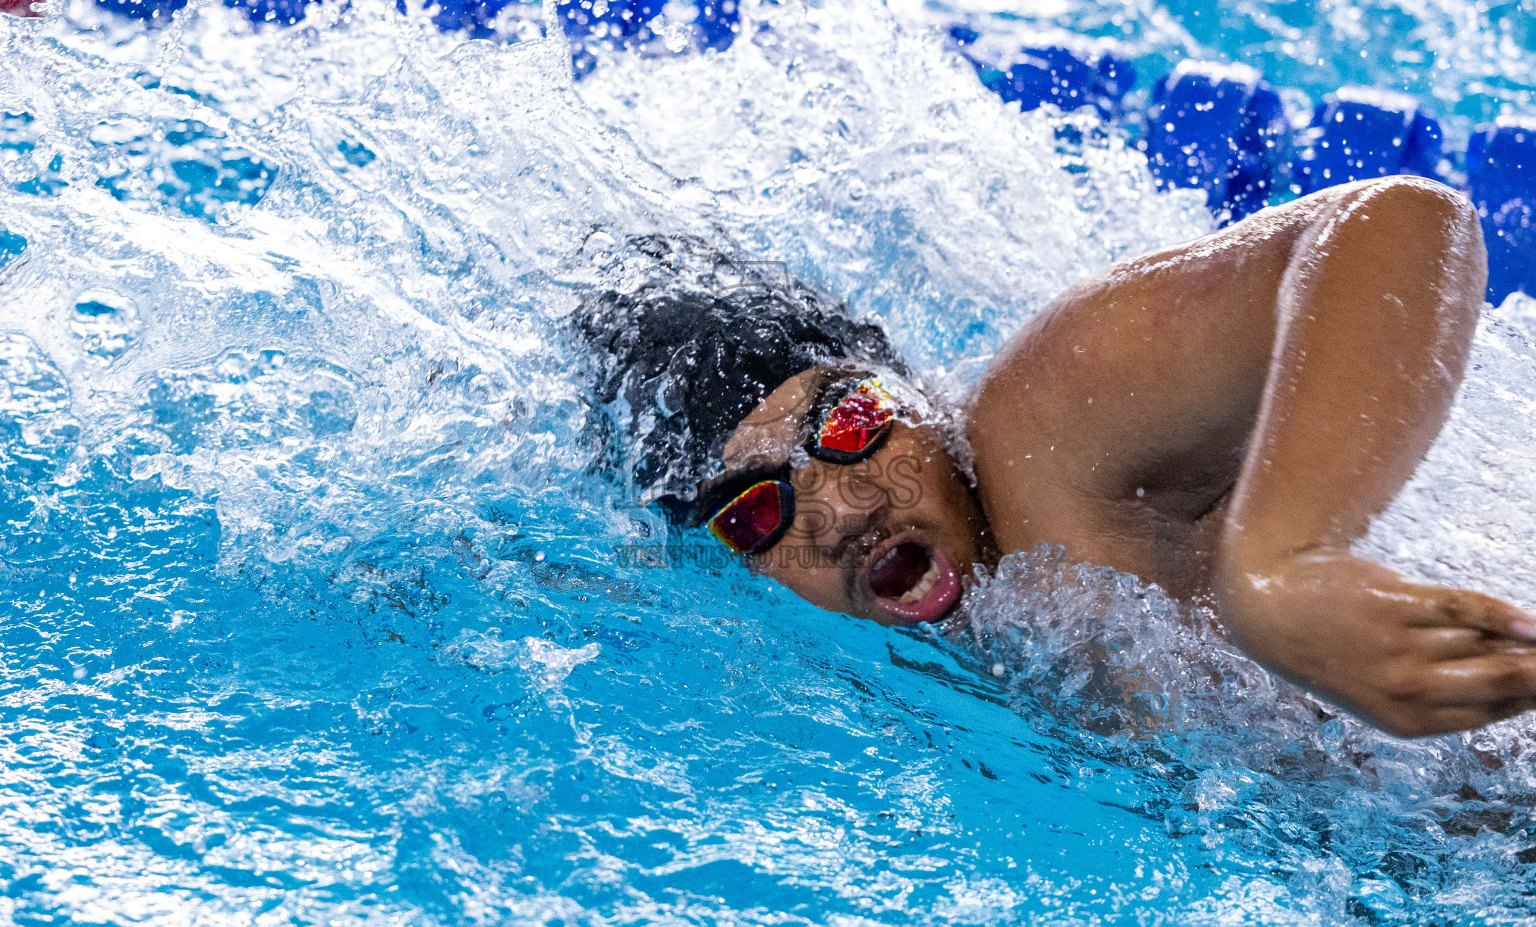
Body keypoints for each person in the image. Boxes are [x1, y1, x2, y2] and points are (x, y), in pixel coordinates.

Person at [579, 175, 1536, 739]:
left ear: (915, 393)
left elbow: (1399, 223)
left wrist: (1287, 564)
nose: (839, 512)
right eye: (757, 513)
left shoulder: (1041, 427)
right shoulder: (859, 669)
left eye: (848, 423)